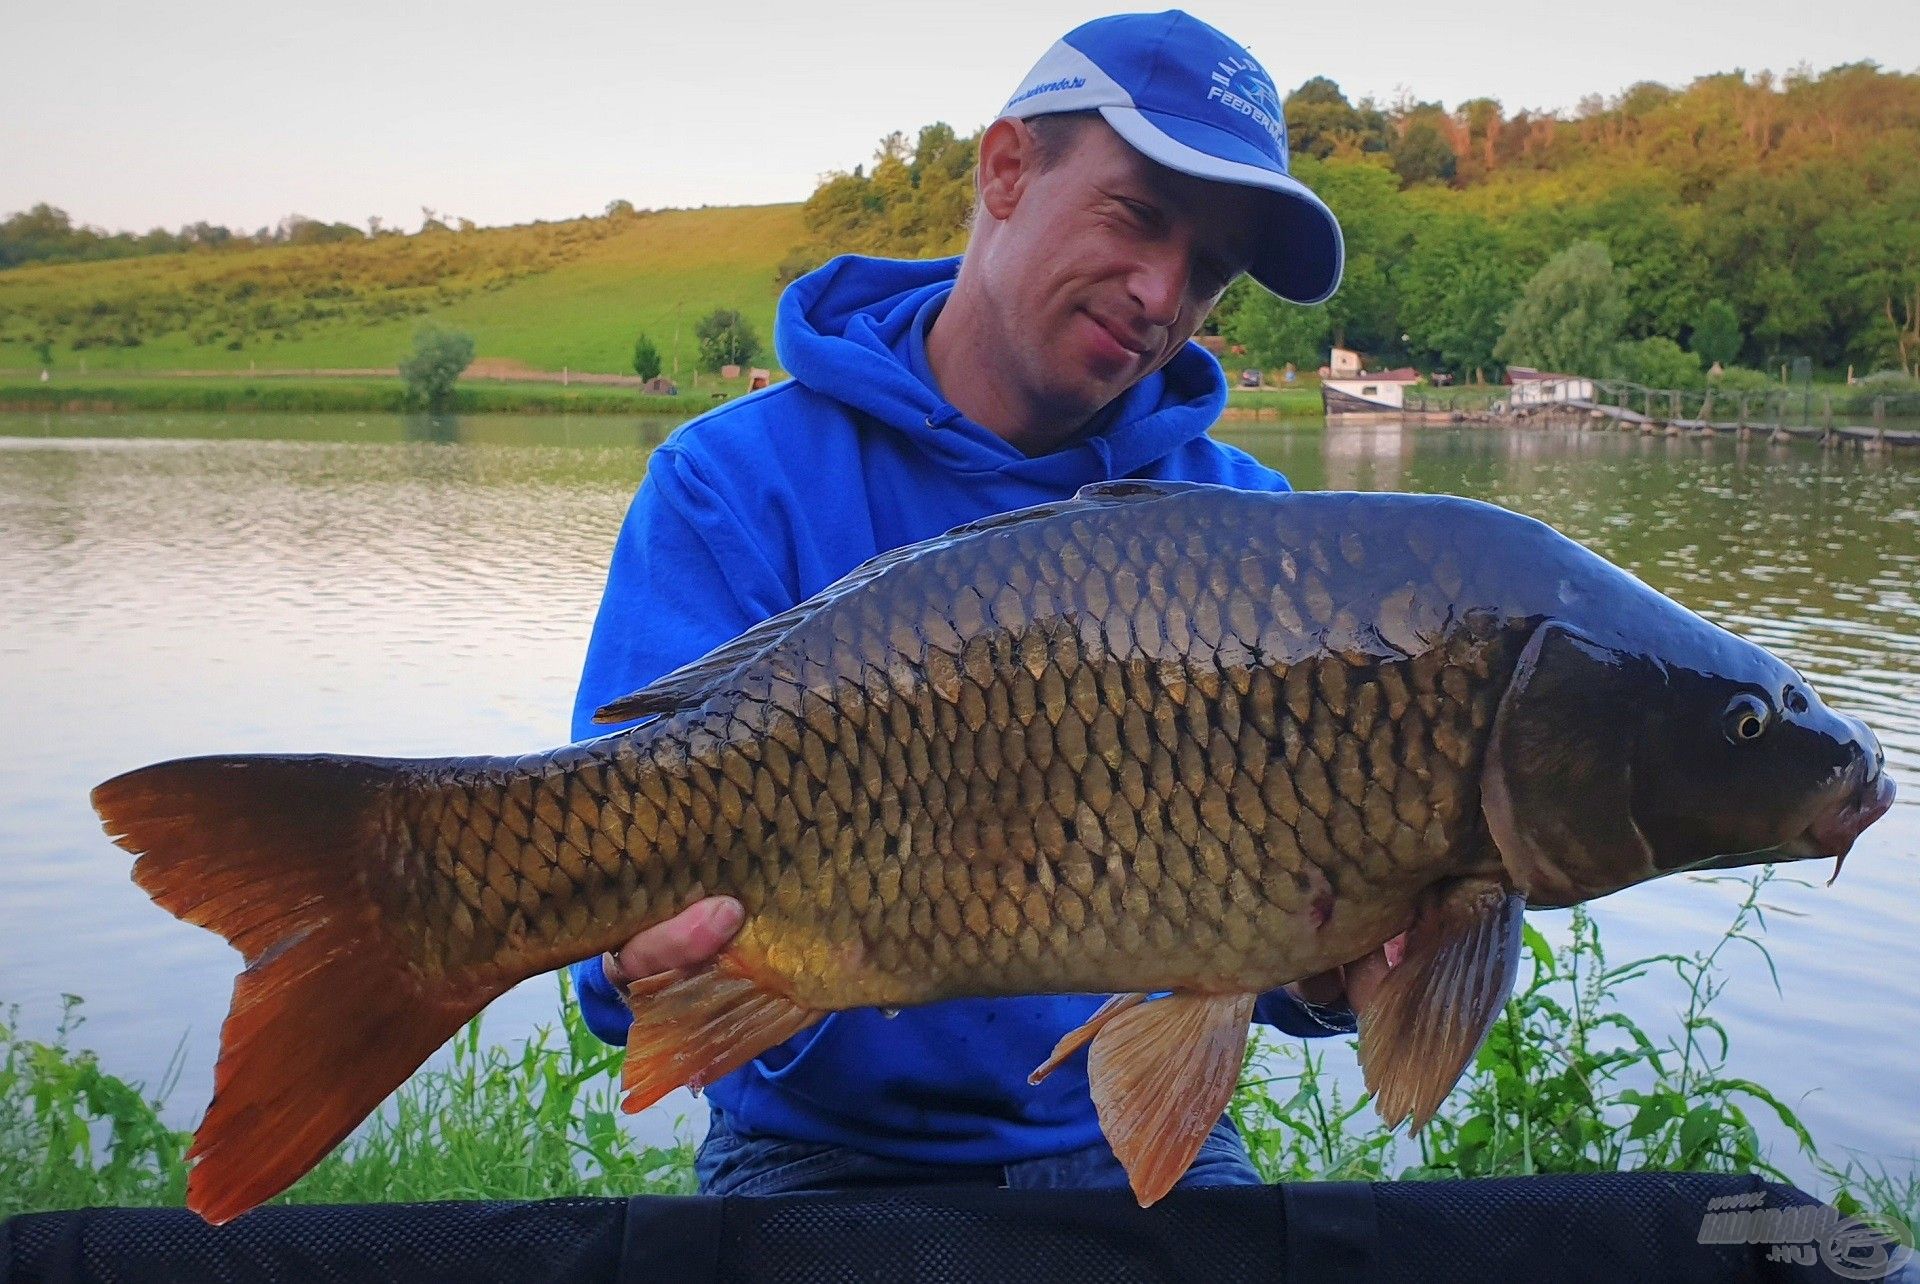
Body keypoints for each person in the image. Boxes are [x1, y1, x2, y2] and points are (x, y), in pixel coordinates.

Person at [568, 9, 1390, 1197]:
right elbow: (610, 947)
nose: (1165, 291)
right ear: (1007, 170)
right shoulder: (736, 485)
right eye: (1139, 214)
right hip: (824, 1156)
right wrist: (633, 955)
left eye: (1208, 268)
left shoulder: (1253, 541)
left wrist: (1326, 975)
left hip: (1140, 1142)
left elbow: (1272, 955)